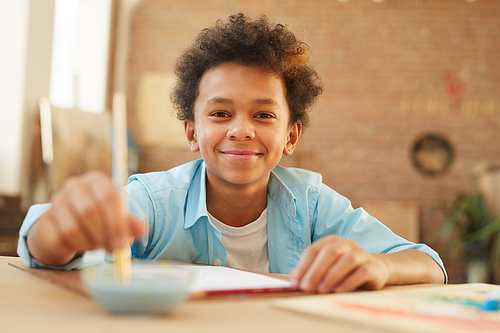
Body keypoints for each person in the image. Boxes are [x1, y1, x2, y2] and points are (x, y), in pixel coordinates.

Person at [18, 13, 446, 293]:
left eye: (263, 115)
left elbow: (429, 265)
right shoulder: (154, 202)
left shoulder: (313, 203)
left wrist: (379, 267)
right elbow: (45, 248)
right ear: (192, 131)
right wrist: (58, 230)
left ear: (291, 136)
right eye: (221, 113)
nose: (241, 130)